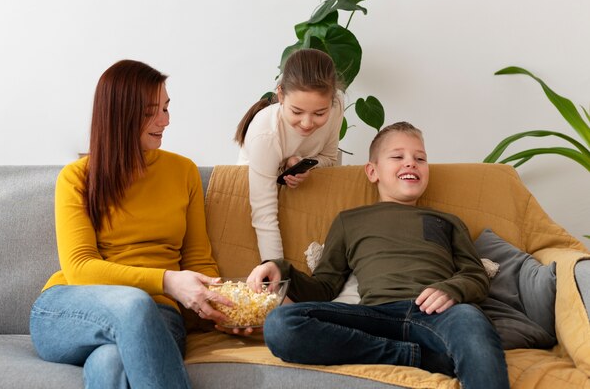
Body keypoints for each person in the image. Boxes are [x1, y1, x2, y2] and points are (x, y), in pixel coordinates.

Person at [247, 122, 510, 389]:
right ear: (372, 171)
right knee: (281, 324)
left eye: (420, 158)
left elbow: (475, 274)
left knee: (471, 321)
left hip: (435, 314)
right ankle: (416, 358)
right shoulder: (349, 221)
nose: (411, 163)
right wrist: (280, 268)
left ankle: (427, 355)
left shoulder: (446, 221)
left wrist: (452, 289)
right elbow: (324, 287)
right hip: (373, 316)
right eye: (398, 157)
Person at [29, 59, 231, 389]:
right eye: (153, 111)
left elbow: (197, 261)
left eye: (167, 108)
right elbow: (80, 267)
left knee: (110, 364)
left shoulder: (183, 172)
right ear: (120, 114)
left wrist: (223, 310)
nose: (165, 121)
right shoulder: (77, 178)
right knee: (132, 303)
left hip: (159, 315)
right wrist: (167, 281)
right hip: (69, 309)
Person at [234, 48, 345, 261]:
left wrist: (303, 164)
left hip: (293, 196)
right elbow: (264, 216)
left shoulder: (336, 105)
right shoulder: (266, 135)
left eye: (320, 113)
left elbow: (330, 159)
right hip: (253, 200)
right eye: (297, 111)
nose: (307, 123)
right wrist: (278, 277)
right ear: (281, 95)